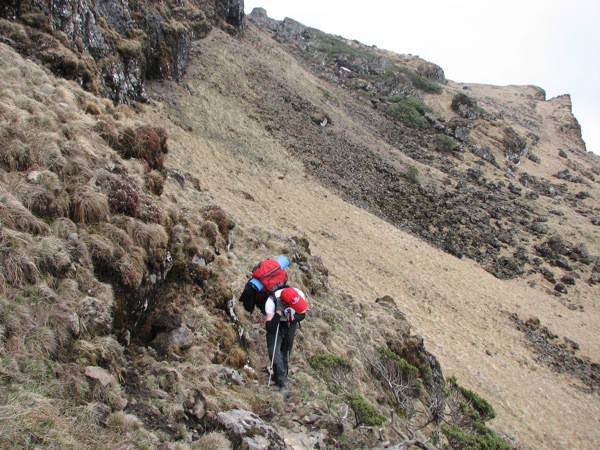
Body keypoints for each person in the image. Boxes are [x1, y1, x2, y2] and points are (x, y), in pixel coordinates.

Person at [265, 287, 307, 392]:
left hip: (290, 323)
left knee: (287, 348)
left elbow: (302, 314)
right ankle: (281, 379)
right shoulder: (271, 302)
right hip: (276, 322)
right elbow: (269, 328)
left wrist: (294, 317)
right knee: (274, 350)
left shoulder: (299, 295)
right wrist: (278, 312)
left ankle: (282, 374)